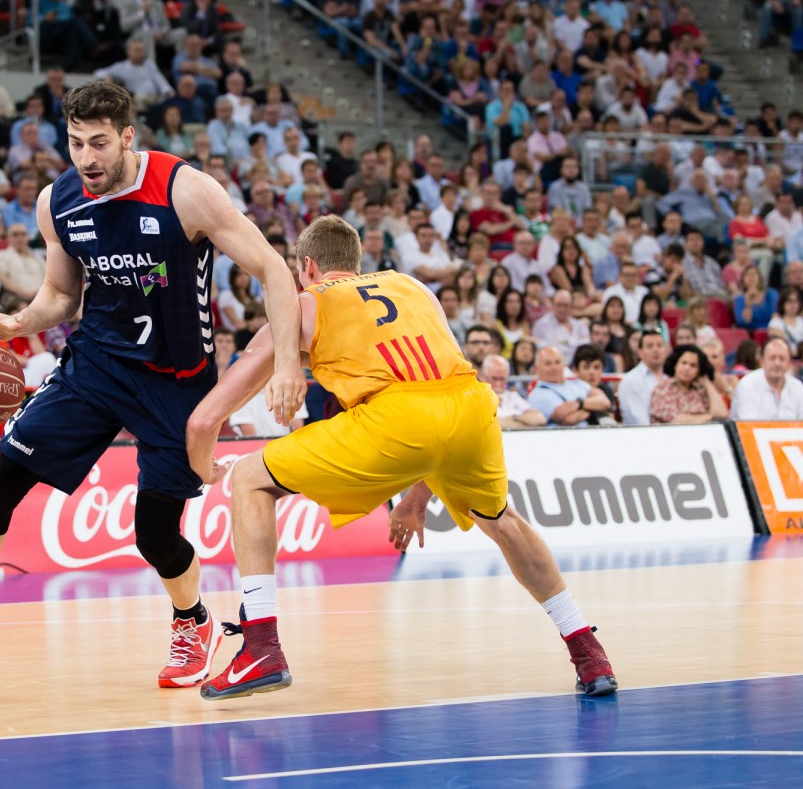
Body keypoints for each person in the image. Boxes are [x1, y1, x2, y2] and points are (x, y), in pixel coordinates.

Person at [0, 81, 307, 686]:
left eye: (99, 143)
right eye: (76, 143)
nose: (87, 157)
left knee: (155, 535)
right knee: (3, 479)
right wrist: (16, 323)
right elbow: (61, 295)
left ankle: (192, 619)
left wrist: (287, 366)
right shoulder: (59, 201)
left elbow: (274, 270)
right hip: (97, 363)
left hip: (176, 382)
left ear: (127, 137)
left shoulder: (185, 191)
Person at [183, 215, 616, 700]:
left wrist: (201, 466)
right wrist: (415, 499)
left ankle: (261, 646)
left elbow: (205, 421)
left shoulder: (303, 303)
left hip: (396, 418)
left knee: (249, 478)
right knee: (503, 521)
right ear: (356, 261)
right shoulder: (413, 287)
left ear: (307, 267)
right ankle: (589, 653)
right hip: (470, 407)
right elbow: (438, 401)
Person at [527, 346, 612, 428]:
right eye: (548, 364)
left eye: (557, 362)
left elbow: (605, 402)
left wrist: (579, 403)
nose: (554, 368)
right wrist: (593, 408)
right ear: (537, 368)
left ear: (564, 365)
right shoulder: (538, 394)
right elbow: (569, 420)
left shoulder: (576, 383)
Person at [649, 344, 729, 425]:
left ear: (698, 371)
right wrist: (710, 417)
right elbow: (677, 421)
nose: (687, 368)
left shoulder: (700, 391)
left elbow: (721, 415)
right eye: (684, 363)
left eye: (693, 365)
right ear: (675, 364)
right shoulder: (662, 389)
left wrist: (707, 383)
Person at [730, 338, 803, 420]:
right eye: (772, 358)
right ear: (762, 361)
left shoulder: (798, 387)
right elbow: (747, 424)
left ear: (789, 362)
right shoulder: (747, 385)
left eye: (782, 358)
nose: (777, 363)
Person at [617, 329, 668, 425]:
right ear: (640, 352)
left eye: (659, 345)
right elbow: (640, 423)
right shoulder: (631, 381)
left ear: (666, 350)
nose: (655, 350)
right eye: (650, 346)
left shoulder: (671, 377)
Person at [482, 354, 546, 428]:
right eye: (494, 378)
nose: (498, 383)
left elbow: (540, 419)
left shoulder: (513, 396)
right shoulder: (479, 399)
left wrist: (514, 418)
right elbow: (495, 425)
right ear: (484, 377)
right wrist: (525, 422)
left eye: (502, 379)